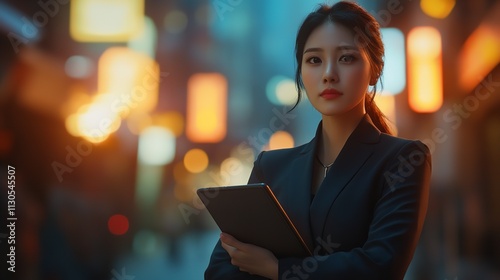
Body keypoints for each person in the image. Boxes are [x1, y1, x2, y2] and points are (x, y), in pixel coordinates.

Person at [204, 1, 431, 279]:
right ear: (301, 72)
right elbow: (221, 269)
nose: (329, 74)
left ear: (375, 68)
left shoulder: (402, 160)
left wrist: (277, 269)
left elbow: (380, 266)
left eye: (346, 58)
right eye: (314, 60)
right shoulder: (272, 166)